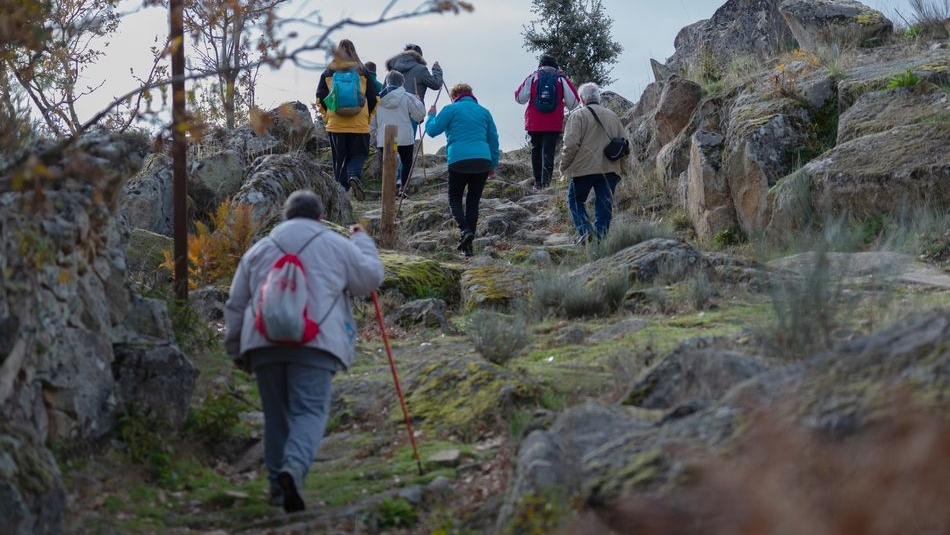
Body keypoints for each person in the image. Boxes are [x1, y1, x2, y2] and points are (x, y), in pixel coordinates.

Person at [223, 190, 384, 513]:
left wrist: (236, 349)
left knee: (275, 418)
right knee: (309, 411)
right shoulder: (335, 245)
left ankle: (277, 490)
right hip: (316, 344)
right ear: (319, 217)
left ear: (286, 216)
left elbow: (236, 304)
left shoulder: (260, 249)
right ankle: (293, 469)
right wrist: (363, 241)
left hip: (263, 344)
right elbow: (369, 279)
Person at [424, 82, 499, 256]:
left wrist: (431, 116)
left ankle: (465, 231)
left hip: (459, 159)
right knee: (473, 201)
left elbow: (433, 130)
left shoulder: (451, 109)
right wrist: (492, 165)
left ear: (454, 96)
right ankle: (468, 248)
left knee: (454, 198)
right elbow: (493, 140)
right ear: (471, 94)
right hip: (482, 159)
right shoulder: (484, 112)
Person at [560, 82, 626, 244]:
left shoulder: (578, 116)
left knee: (575, 200)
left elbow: (570, 145)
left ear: (581, 99)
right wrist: (623, 169)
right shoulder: (613, 116)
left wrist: (563, 166)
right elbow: (625, 144)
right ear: (599, 98)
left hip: (583, 169)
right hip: (610, 168)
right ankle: (600, 240)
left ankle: (586, 232)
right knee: (604, 205)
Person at [315, 39, 379, 201]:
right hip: (359, 125)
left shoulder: (329, 72)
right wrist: (367, 117)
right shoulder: (363, 71)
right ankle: (353, 175)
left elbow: (320, 98)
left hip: (336, 125)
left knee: (339, 160)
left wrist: (328, 116)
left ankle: (340, 194)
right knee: (359, 153)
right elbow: (374, 98)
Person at [514, 54, 579, 190]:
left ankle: (537, 182)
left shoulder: (534, 76)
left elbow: (519, 98)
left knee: (535, 149)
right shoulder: (560, 78)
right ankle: (546, 183)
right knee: (548, 151)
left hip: (534, 121)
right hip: (553, 122)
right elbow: (574, 102)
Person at [370, 70, 425, 196]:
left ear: (387, 82)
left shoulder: (377, 100)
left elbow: (372, 123)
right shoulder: (408, 97)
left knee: (388, 164)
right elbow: (419, 115)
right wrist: (418, 101)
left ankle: (388, 190)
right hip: (404, 138)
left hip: (384, 139)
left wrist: (373, 137)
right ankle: (403, 189)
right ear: (402, 82)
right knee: (406, 162)